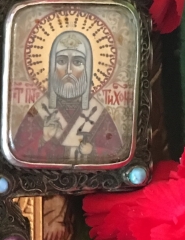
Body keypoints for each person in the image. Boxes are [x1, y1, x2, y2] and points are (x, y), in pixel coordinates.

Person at [13, 30, 122, 164]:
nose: (68, 70)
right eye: (61, 61)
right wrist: (44, 138)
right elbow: (18, 154)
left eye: (77, 62)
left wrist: (92, 151)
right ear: (52, 66)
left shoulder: (97, 111)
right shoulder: (40, 109)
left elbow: (116, 154)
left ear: (87, 68)